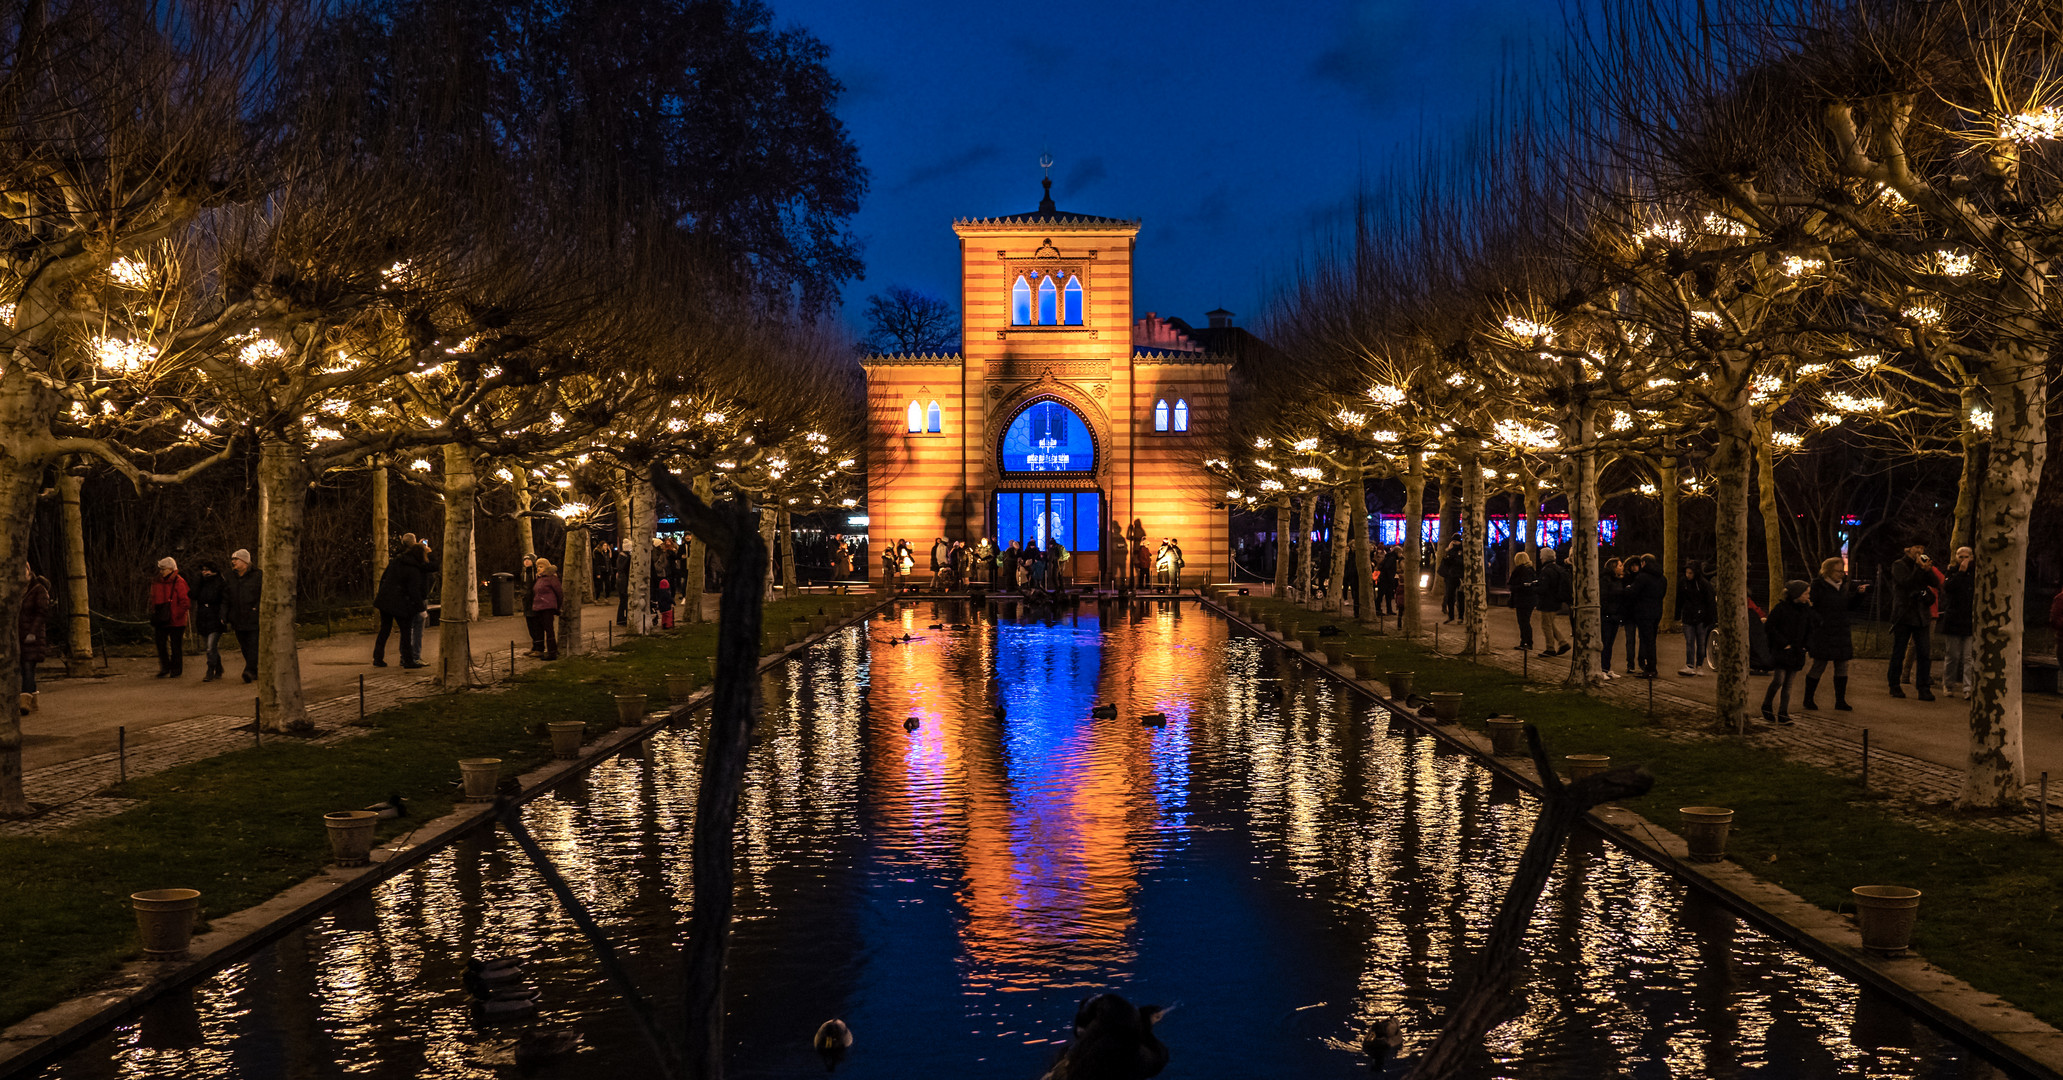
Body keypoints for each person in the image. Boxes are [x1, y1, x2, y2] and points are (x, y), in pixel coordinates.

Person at [1804, 556, 1858, 711]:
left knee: (1842, 666)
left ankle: (1840, 700)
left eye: (1842, 571)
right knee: (1819, 665)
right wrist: (1819, 621)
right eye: (1838, 571)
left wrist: (1859, 595)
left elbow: (1847, 606)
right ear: (1828, 571)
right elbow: (1812, 608)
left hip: (1840, 631)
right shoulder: (1818, 586)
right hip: (1824, 632)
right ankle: (1808, 699)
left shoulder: (1841, 587)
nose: (1841, 574)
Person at [373, 535, 435, 669]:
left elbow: (385, 577)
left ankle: (377, 657)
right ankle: (408, 660)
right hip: (400, 602)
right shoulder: (414, 569)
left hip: (385, 599)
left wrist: (381, 594)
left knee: (385, 629)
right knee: (405, 631)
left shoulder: (397, 560)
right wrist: (421, 610)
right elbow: (414, 591)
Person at [1887, 542, 1938, 701]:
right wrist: (1918, 568)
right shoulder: (1898, 565)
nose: (1920, 551)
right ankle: (1894, 685)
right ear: (1907, 549)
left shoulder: (1922, 566)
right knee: (1899, 651)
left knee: (1924, 653)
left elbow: (1935, 583)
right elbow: (1906, 583)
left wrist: (1927, 570)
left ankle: (1923, 688)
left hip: (1921, 616)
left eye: (1923, 548)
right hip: (1904, 614)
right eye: (1917, 547)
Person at [1762, 580, 1815, 724]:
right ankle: (1767, 705)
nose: (1808, 597)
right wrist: (1783, 643)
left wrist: (1806, 645)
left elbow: (1810, 630)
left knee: (1789, 684)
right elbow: (1770, 627)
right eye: (1806, 594)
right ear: (1796, 594)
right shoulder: (1781, 609)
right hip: (1782, 651)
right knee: (1779, 680)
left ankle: (1783, 712)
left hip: (1797, 651)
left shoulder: (1806, 611)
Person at [1939, 546, 1975, 698]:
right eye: (1961, 557)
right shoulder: (1952, 572)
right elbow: (1948, 587)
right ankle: (1948, 684)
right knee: (1952, 656)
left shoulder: (1975, 574)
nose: (1963, 560)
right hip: (1953, 619)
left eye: (1966, 557)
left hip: (1968, 620)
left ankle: (1968, 688)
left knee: (1968, 657)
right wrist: (1960, 572)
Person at [148, 556, 191, 678]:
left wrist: (176, 614)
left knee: (175, 646)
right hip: (162, 617)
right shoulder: (157, 582)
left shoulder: (179, 582)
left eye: (163, 569)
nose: (161, 571)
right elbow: (153, 599)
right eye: (160, 569)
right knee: (161, 644)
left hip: (176, 619)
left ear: (171, 569)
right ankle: (166, 667)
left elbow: (185, 602)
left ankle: (176, 668)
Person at [18, 562, 50, 714]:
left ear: (28, 572)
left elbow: (41, 613)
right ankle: (34, 701)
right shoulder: (17, 591)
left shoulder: (38, 589)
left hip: (33, 636)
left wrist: (32, 632)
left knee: (28, 667)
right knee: (25, 670)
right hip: (19, 635)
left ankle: (24, 703)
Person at [1628, 554, 1668, 678]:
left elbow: (1633, 592)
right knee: (1652, 640)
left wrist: (1627, 589)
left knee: (1646, 640)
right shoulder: (1662, 578)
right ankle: (1651, 667)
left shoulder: (1642, 577)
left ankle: (1650, 668)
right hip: (1657, 611)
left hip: (1644, 612)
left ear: (1644, 563)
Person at [1677, 561, 1717, 677]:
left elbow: (1709, 601)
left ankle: (1696, 665)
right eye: (1687, 573)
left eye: (1690, 573)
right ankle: (1692, 665)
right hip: (1692, 615)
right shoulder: (1695, 583)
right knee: (1693, 642)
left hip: (1700, 616)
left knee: (1699, 642)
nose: (1688, 575)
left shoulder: (1702, 584)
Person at [191, 560, 227, 682]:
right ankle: (218, 666)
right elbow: (193, 594)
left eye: (206, 569)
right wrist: (198, 581)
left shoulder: (220, 583)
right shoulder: (200, 583)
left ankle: (210, 669)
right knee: (211, 646)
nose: (204, 572)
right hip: (203, 616)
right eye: (203, 570)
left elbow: (223, 600)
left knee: (210, 647)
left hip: (215, 616)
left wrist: (223, 616)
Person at [1535, 547, 1570, 656]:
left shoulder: (1547, 570)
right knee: (1550, 624)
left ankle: (1550, 648)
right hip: (1556, 600)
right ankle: (1563, 643)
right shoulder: (1558, 569)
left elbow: (1544, 588)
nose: (1540, 559)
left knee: (1546, 625)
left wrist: (1534, 588)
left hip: (1547, 602)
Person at [1599, 557, 1628, 678]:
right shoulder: (1605, 580)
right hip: (1608, 615)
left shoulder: (1618, 581)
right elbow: (1605, 597)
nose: (1622, 568)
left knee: (1610, 643)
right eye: (1620, 566)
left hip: (1615, 615)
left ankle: (1607, 667)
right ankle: (1601, 668)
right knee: (1605, 642)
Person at [528, 558, 563, 658]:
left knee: (549, 630)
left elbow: (559, 593)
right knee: (538, 629)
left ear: (546, 567)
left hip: (548, 606)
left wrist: (558, 607)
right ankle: (539, 649)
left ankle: (552, 652)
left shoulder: (551, 578)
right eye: (537, 566)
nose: (538, 568)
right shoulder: (539, 578)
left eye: (541, 566)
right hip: (538, 607)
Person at [1509, 550, 1537, 651]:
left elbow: (1519, 585)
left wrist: (1514, 588)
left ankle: (1527, 642)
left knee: (1523, 622)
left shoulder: (1521, 571)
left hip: (1523, 600)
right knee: (1524, 621)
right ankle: (1525, 641)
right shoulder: (1530, 570)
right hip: (1529, 600)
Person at [1437, 540, 1463, 622]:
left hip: (1459, 577)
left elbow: (1461, 563)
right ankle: (1451, 616)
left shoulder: (1461, 552)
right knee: (1450, 597)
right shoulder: (1450, 552)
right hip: (1451, 577)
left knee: (1460, 598)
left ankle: (1460, 616)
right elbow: (1445, 563)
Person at [1377, 546, 1400, 616]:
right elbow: (1388, 568)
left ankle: (1387, 610)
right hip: (1386, 580)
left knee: (1387, 595)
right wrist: (1391, 578)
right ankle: (1379, 610)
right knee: (1382, 595)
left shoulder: (1388, 557)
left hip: (1384, 579)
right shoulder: (1392, 559)